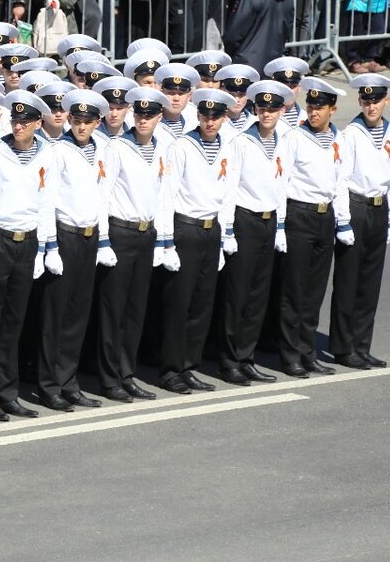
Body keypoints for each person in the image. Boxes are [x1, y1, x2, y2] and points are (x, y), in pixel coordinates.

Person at [0, 90, 55, 421]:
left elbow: (46, 201)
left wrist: (46, 248)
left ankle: (8, 391)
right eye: (15, 120)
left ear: (38, 123)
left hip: (28, 241)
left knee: (14, 322)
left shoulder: (46, 153)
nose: (18, 125)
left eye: (26, 121)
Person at [156, 90, 237, 394]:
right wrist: (167, 241)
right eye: (205, 116)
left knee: (202, 304)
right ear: (198, 116)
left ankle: (190, 365)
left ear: (224, 118)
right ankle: (170, 369)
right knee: (179, 303)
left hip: (210, 229)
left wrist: (225, 233)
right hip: (185, 228)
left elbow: (228, 192)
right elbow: (168, 193)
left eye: (216, 116)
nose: (210, 121)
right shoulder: (182, 146)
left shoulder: (227, 147)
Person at [95, 86, 170, 403]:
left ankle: (127, 373)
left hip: (146, 233)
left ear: (159, 117)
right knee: (114, 311)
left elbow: (164, 195)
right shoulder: (117, 147)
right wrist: (103, 240)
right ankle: (111, 378)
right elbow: (102, 194)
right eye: (138, 113)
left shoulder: (163, 148)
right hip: (120, 233)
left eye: (149, 114)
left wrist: (164, 240)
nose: (143, 119)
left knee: (136, 311)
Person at [218, 80, 293, 386]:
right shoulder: (240, 142)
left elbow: (283, 185)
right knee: (237, 295)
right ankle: (229, 360)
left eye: (273, 109)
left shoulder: (284, 141)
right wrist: (228, 230)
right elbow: (229, 188)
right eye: (261, 108)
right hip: (245, 221)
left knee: (258, 295)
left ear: (281, 110)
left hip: (268, 220)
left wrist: (281, 226)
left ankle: (246, 357)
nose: (266, 114)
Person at [39, 89, 109, 410]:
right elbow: (48, 199)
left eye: (88, 121)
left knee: (78, 314)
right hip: (64, 236)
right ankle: (49, 384)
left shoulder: (102, 148)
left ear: (98, 122)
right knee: (56, 315)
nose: (81, 127)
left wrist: (103, 239)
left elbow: (102, 196)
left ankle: (68, 380)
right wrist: (50, 244)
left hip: (89, 236)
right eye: (76, 120)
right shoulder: (57, 150)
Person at [277, 76, 347, 379]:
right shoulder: (294, 138)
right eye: (310, 105)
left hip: (324, 216)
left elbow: (341, 182)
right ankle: (290, 355)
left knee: (315, 291)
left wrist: (342, 221)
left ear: (333, 109)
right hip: (299, 216)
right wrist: (280, 224)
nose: (313, 111)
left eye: (320, 107)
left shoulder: (337, 138)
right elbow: (281, 183)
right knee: (295, 290)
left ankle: (308, 353)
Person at [329, 74, 390, 370]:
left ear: (386, 101)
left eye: (376, 101)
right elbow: (342, 180)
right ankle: (344, 347)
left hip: (379, 208)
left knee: (370, 282)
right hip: (356, 207)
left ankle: (362, 345)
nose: (371, 107)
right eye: (366, 101)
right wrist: (343, 220)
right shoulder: (351, 134)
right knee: (348, 281)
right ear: (360, 102)